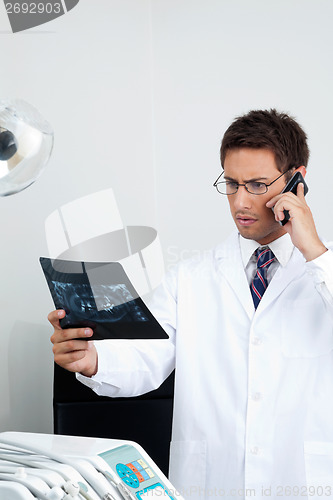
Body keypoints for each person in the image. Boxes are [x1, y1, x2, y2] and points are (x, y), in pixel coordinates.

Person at [49, 109, 333, 500]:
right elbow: (146, 356)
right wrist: (92, 360)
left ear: (297, 180)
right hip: (212, 485)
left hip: (302, 484)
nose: (240, 202)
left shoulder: (322, 270)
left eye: (257, 185)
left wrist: (314, 250)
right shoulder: (192, 277)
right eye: (231, 184)